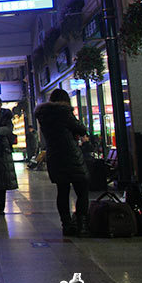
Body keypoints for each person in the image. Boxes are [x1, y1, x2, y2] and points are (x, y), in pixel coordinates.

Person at [35, 89, 91, 236]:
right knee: (82, 189)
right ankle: (82, 225)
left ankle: (66, 225)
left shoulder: (43, 115)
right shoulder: (64, 112)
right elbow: (81, 129)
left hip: (54, 156)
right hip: (71, 155)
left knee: (62, 191)